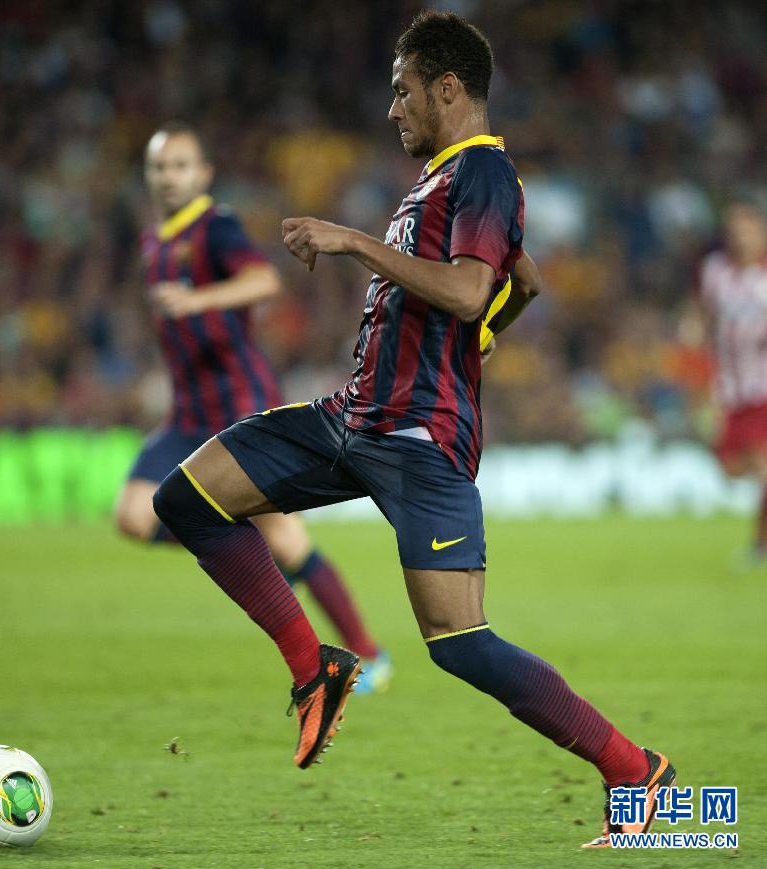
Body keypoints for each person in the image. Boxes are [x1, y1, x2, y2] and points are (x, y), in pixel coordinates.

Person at [151, 11, 675, 847]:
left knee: (460, 643)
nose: (392, 108)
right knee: (186, 498)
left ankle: (634, 770)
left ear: (449, 88)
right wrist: (490, 330)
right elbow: (519, 282)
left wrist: (357, 242)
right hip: (351, 416)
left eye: (402, 92)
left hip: (419, 440)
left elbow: (473, 291)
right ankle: (314, 667)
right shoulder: (438, 178)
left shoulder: (485, 175)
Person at [115, 125, 391, 692]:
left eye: (182, 166)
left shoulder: (216, 227)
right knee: (134, 516)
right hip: (187, 414)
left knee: (289, 541)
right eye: (160, 168)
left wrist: (197, 299)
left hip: (240, 405)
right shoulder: (152, 244)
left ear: (204, 174)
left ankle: (368, 654)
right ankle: (228, 528)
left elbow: (264, 281)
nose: (170, 177)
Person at [696, 199, 767, 563]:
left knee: (763, 467)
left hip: (763, 388)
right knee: (730, 469)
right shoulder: (715, 272)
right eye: (734, 230)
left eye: (748, 229)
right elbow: (707, 321)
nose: (741, 236)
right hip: (730, 389)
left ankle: (759, 545)